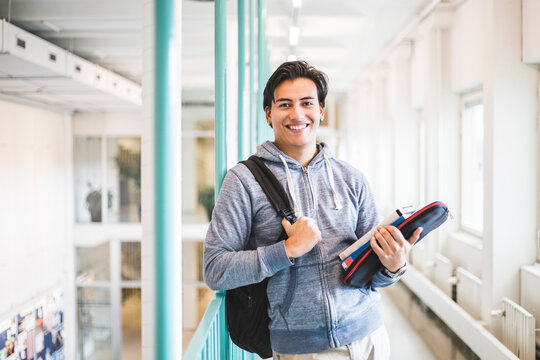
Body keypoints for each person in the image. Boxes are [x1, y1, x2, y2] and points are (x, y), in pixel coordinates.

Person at [203, 60, 422, 359]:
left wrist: (394, 265)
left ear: (321, 110)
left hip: (369, 336)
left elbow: (373, 274)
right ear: (268, 113)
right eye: (284, 105)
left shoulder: (351, 178)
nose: (297, 114)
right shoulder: (243, 181)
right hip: (303, 350)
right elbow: (216, 269)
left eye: (307, 103)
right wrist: (287, 249)